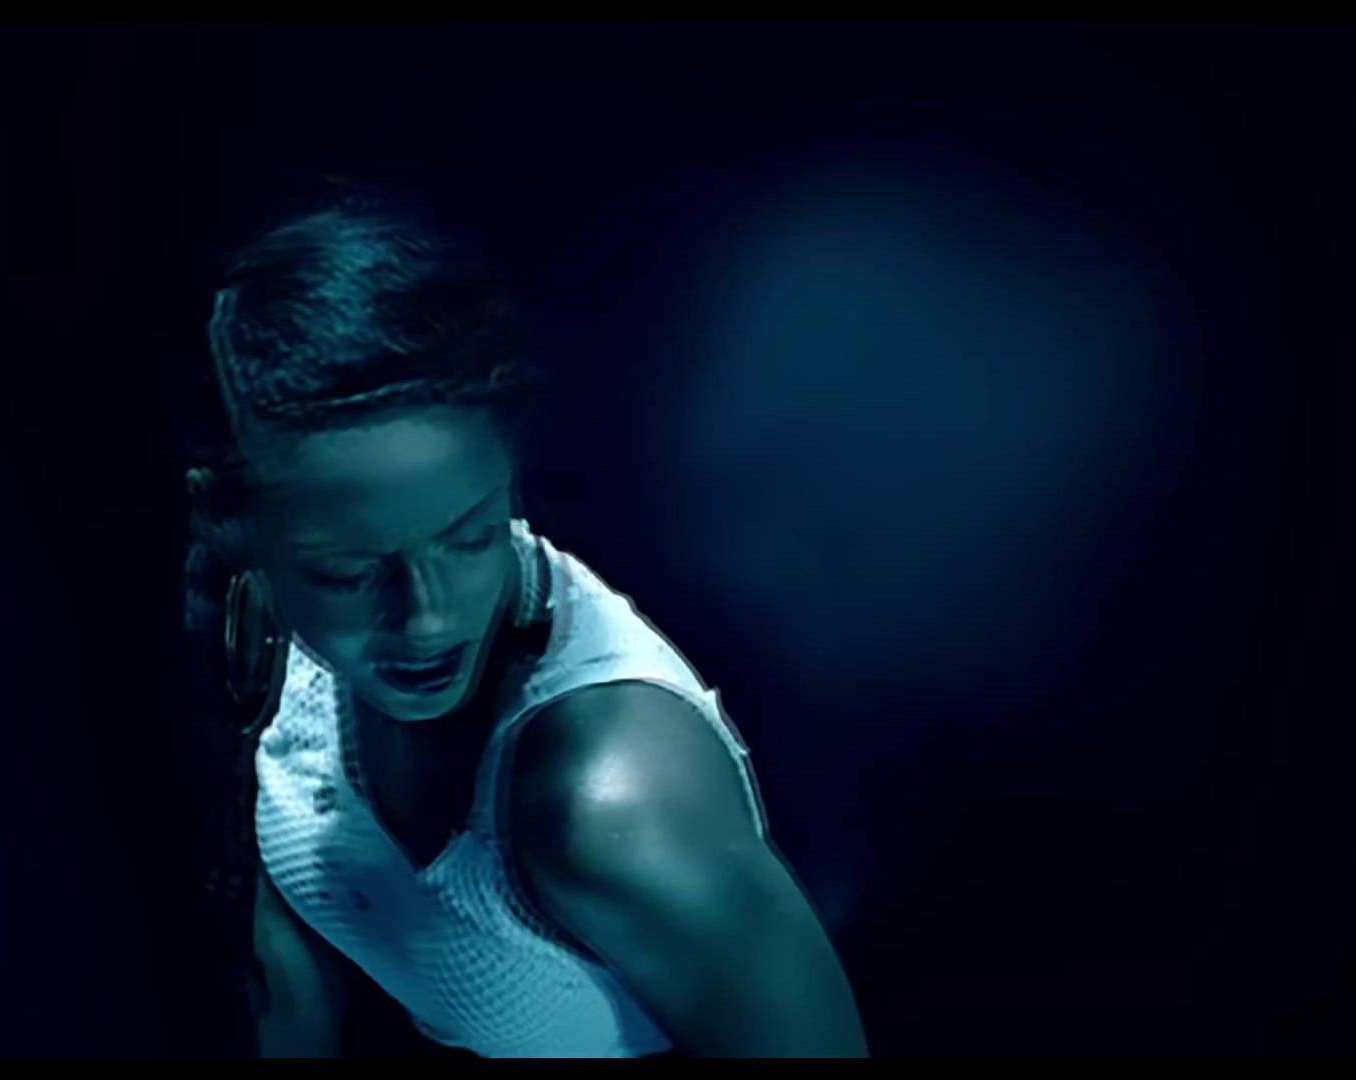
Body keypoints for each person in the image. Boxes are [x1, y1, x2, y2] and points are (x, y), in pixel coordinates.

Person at [184, 192, 867, 1058]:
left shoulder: (612, 810)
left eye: (472, 536)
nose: (429, 619)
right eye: (348, 573)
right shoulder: (245, 623)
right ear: (234, 529)